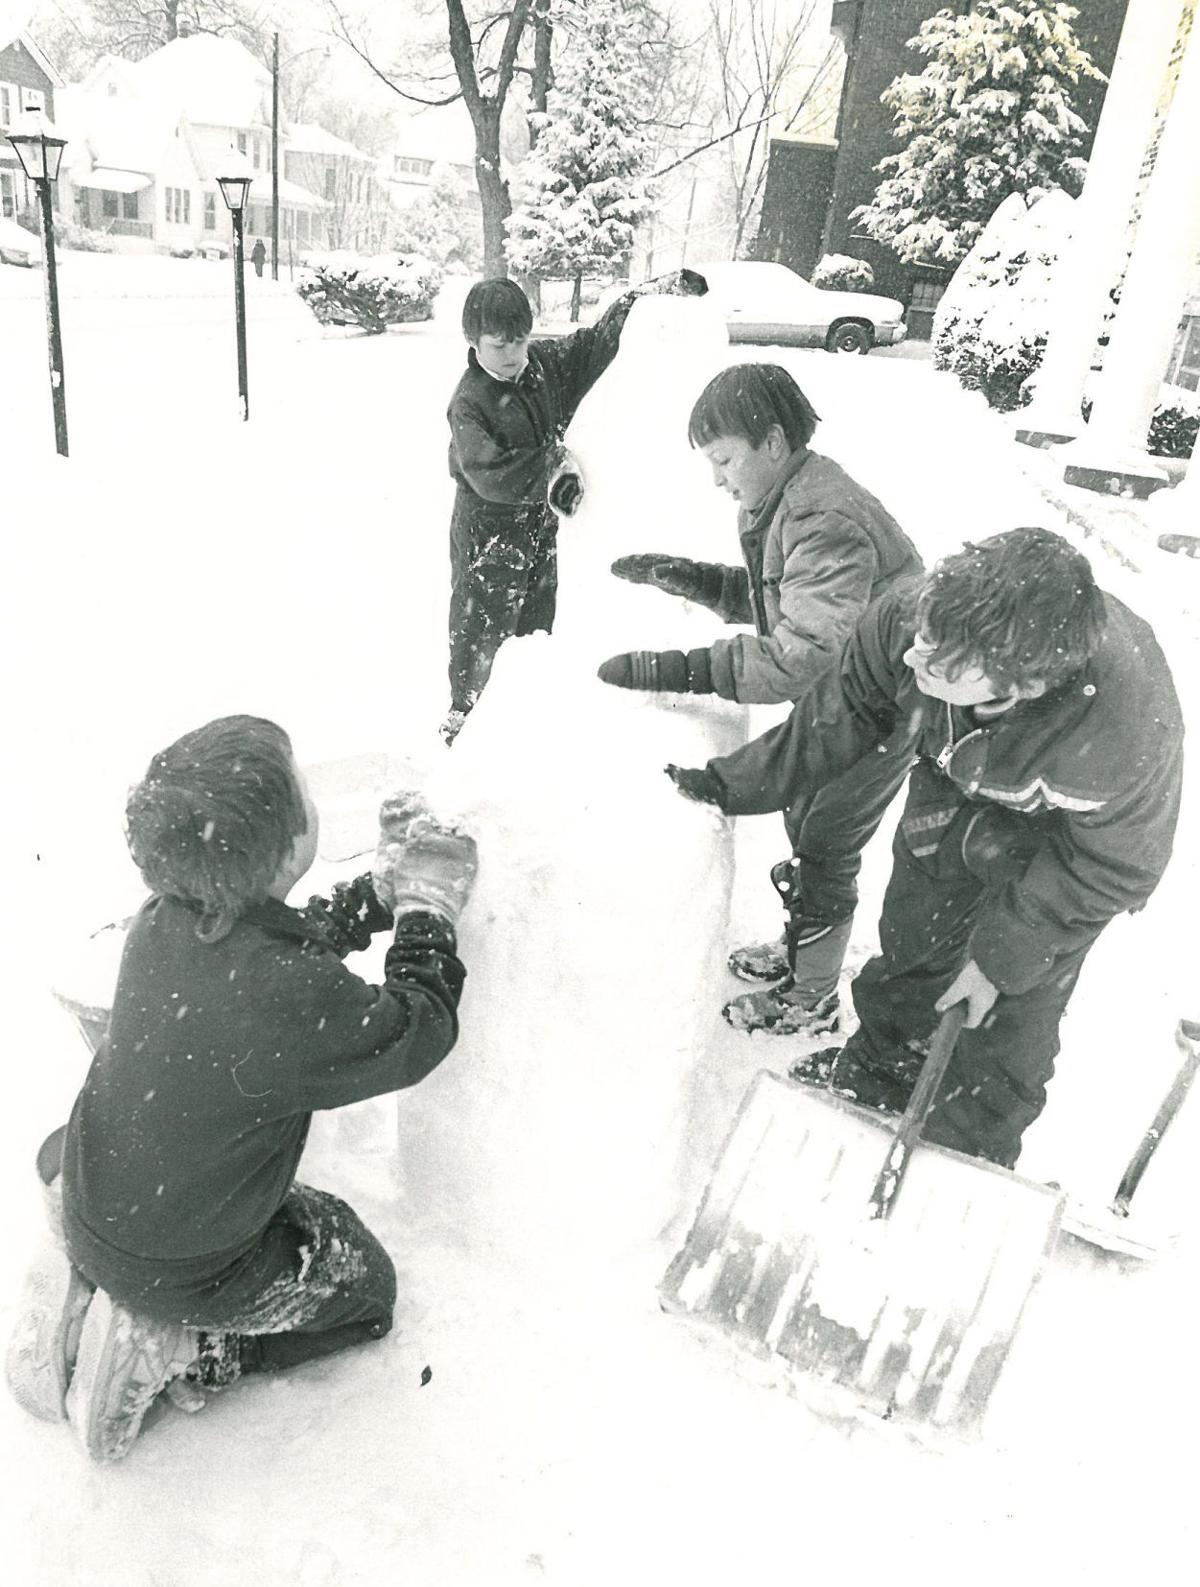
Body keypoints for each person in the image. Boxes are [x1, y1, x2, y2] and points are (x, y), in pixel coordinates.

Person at [5, 715, 475, 1462]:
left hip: (94, 1192)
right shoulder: (287, 997)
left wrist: (374, 895)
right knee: (364, 1287)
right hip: (188, 1261)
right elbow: (414, 1030)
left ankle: (87, 1268)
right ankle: (191, 1345)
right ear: (286, 846)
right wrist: (428, 912)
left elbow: (283, 950)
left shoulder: (164, 920)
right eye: (307, 796)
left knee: (149, 1176)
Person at [665, 528, 1183, 1168]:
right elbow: (841, 711)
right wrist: (730, 784)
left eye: (940, 660)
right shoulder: (915, 622)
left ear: (1016, 684)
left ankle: (969, 1143)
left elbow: (1113, 869)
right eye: (923, 636)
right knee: (916, 930)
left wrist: (998, 961)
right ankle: (885, 1068)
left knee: (1016, 1002)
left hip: (1062, 842)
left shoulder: (1123, 738)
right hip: (952, 772)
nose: (914, 656)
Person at [597, 363, 923, 1035]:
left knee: (828, 832)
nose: (717, 478)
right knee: (807, 814)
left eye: (723, 459)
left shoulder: (821, 516)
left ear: (772, 442)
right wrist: (704, 583)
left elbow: (803, 654)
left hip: (891, 699)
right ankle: (803, 950)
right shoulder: (792, 497)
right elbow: (798, 603)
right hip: (860, 683)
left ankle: (810, 995)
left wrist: (678, 669)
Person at [443, 269, 707, 745]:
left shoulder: (542, 367)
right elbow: (487, 471)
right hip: (489, 530)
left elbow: (594, 344)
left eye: (520, 341)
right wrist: (551, 471)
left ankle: (520, 712)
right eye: (500, 345)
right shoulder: (470, 401)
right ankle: (465, 717)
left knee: (535, 623)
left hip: (539, 526)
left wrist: (646, 297)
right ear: (473, 340)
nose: (513, 355)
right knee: (483, 627)